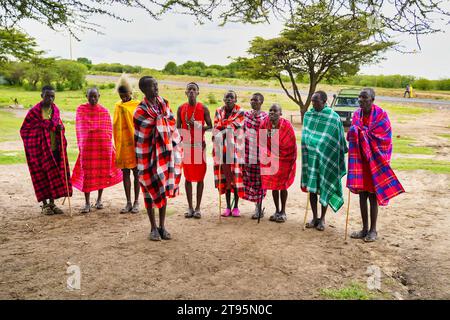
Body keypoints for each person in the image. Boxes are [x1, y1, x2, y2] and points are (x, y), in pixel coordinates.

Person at [347, 88, 405, 242]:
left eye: (364, 97)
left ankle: (373, 230)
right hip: (360, 161)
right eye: (359, 97)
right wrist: (354, 131)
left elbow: (385, 138)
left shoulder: (381, 115)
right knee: (362, 195)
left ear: (372, 99)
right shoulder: (356, 114)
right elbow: (352, 135)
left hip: (375, 160)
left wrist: (363, 133)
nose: (360, 100)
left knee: (373, 196)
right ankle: (364, 228)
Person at [134, 76, 182, 241]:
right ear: (144, 90)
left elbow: (171, 122)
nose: (156, 88)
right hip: (147, 157)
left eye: (157, 85)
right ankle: (153, 228)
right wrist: (160, 121)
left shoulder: (163, 104)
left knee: (163, 188)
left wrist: (161, 122)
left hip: (164, 155)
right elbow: (143, 130)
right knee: (148, 191)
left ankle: (162, 226)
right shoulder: (140, 110)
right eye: (153, 86)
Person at [20, 85, 72, 215]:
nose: (50, 98)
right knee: (42, 177)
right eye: (47, 96)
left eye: (52, 96)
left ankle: (52, 204)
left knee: (53, 174)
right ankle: (45, 206)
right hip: (39, 152)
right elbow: (24, 130)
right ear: (41, 96)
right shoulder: (34, 112)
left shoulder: (55, 110)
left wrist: (60, 128)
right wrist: (43, 129)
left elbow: (57, 126)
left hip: (54, 148)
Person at [301, 91, 348, 231]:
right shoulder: (308, 116)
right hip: (311, 158)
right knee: (312, 189)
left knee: (325, 186)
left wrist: (320, 147)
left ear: (324, 101)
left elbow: (337, 140)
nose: (313, 104)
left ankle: (322, 219)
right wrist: (309, 145)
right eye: (312, 101)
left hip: (327, 159)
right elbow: (306, 135)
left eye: (316, 101)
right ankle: (314, 217)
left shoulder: (333, 118)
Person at [71, 88, 123, 213]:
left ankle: (99, 200)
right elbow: (81, 129)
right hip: (87, 148)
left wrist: (108, 145)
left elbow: (108, 131)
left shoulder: (104, 111)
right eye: (90, 97)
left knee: (102, 173)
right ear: (86, 96)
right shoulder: (81, 110)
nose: (93, 99)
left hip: (102, 148)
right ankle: (87, 203)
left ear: (99, 96)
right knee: (87, 174)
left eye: (95, 96)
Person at [177, 82, 212, 219]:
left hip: (199, 147)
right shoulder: (181, 108)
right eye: (189, 89)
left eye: (194, 89)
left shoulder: (203, 108)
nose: (191, 91)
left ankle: (198, 208)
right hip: (186, 148)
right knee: (187, 178)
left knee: (200, 178)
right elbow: (178, 129)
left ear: (198, 92)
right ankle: (190, 207)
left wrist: (196, 125)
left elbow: (210, 126)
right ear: (186, 92)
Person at [260, 103, 297, 223]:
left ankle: (283, 211)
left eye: (275, 111)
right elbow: (262, 143)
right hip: (271, 159)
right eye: (270, 110)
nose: (271, 113)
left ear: (280, 113)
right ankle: (277, 210)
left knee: (283, 186)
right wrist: (269, 155)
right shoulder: (265, 124)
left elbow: (291, 144)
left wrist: (281, 155)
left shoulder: (286, 125)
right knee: (274, 186)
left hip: (286, 159)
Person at [212, 90, 245, 217]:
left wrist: (222, 130)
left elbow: (234, 127)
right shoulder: (219, 111)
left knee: (235, 178)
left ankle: (236, 207)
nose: (229, 99)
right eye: (227, 97)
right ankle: (227, 207)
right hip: (222, 150)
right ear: (223, 99)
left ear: (235, 100)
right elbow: (216, 127)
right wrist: (222, 130)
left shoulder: (240, 112)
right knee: (225, 179)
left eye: (232, 97)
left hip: (236, 150)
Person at [113, 75, 141, 214]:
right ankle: (128, 202)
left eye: (125, 95)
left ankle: (136, 202)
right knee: (125, 173)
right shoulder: (117, 106)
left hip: (135, 144)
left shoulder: (137, 105)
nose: (124, 98)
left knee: (136, 173)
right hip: (122, 145)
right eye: (121, 95)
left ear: (130, 93)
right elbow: (115, 126)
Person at [242, 93, 268, 219]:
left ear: (261, 102)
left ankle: (259, 208)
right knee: (249, 179)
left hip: (260, 154)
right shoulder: (246, 115)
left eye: (256, 100)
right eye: (251, 100)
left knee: (260, 180)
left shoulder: (265, 117)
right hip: (247, 153)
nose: (253, 102)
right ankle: (256, 206)